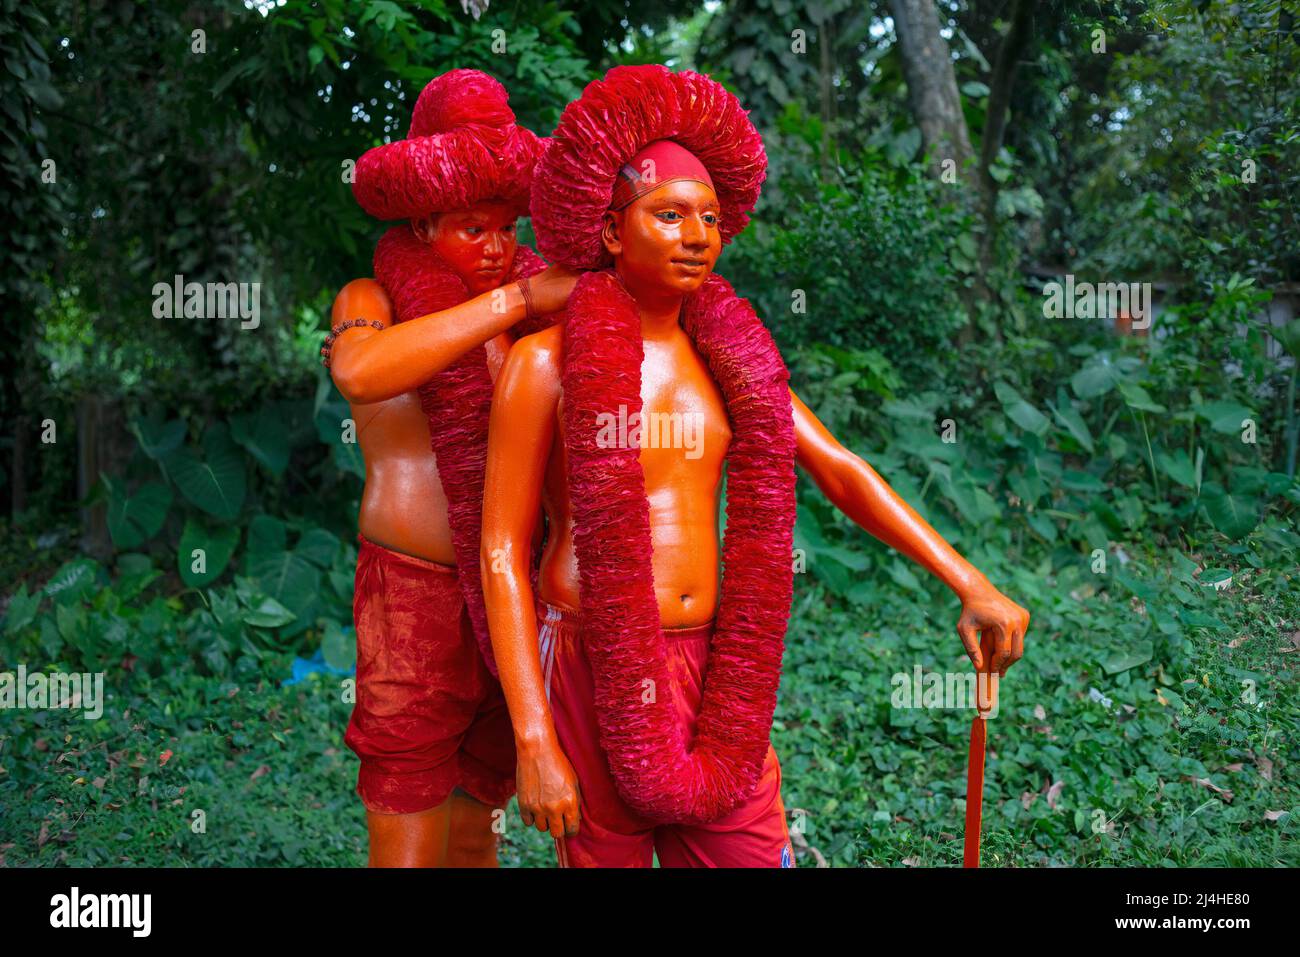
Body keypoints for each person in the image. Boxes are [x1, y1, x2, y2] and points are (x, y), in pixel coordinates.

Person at [480, 65, 1030, 867]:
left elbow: (838, 466)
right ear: (609, 232)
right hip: (589, 658)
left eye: (709, 217)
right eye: (668, 215)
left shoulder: (729, 357)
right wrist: (533, 737)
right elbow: (501, 548)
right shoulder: (543, 365)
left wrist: (968, 578)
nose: (698, 235)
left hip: (716, 666)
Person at [323, 69, 575, 867]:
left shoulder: (534, 296)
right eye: (474, 228)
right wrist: (510, 305)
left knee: (479, 814)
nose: (499, 247)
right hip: (410, 591)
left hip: (508, 586)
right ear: (424, 221)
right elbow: (361, 372)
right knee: (406, 799)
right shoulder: (373, 296)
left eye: (507, 226)